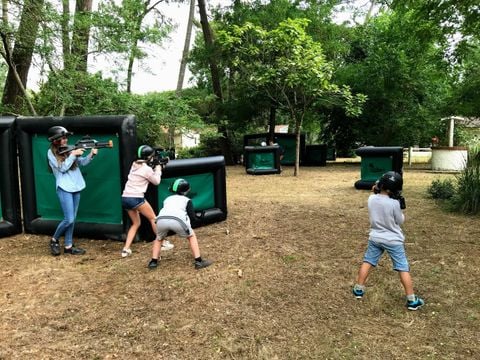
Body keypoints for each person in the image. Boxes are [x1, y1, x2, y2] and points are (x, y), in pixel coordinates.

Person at [352, 171, 425, 311]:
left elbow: (376, 193)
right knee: (402, 267)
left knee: (368, 261)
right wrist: (399, 204)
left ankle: (358, 289)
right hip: (393, 240)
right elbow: (400, 221)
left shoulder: (371, 199)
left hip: (375, 237)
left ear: (381, 184)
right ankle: (412, 300)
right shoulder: (394, 204)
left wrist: (377, 190)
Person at [47, 125, 97, 256]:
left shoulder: (69, 150)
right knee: (68, 219)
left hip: (76, 186)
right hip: (64, 188)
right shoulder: (51, 153)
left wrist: (91, 154)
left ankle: (68, 246)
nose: (65, 140)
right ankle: (54, 239)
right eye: (62, 138)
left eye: (65, 138)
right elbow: (62, 168)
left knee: (72, 219)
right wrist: (73, 154)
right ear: (55, 140)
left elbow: (83, 162)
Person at [121, 145, 174, 257]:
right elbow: (156, 181)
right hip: (136, 197)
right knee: (153, 218)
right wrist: (158, 169)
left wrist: (155, 166)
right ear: (148, 157)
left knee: (136, 223)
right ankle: (163, 243)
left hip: (125, 197)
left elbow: (146, 167)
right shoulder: (146, 169)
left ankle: (126, 249)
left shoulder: (134, 164)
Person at [148, 178, 212, 270]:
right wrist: (201, 218)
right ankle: (199, 261)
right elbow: (193, 218)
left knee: (159, 239)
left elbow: (166, 212)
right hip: (178, 220)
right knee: (191, 236)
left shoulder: (167, 199)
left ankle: (153, 262)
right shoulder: (187, 200)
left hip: (161, 220)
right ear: (186, 191)